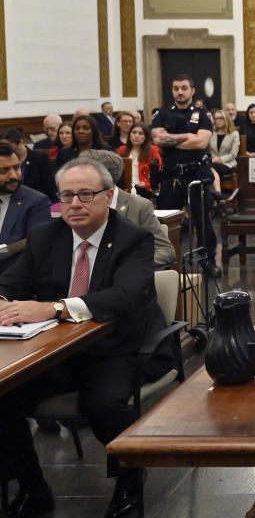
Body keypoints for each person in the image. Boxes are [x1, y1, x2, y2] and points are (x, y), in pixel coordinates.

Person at [0, 158, 173, 518]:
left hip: (115, 346)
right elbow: (11, 284)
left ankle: (129, 484)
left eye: (85, 195)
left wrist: (54, 308)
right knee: (4, 400)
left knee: (104, 406)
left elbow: (125, 296)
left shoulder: (132, 238)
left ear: (109, 196)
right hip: (54, 351)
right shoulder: (47, 235)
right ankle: (33, 489)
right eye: (66, 196)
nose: (74, 204)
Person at [151, 74, 217, 258]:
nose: (180, 92)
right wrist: (188, 136)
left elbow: (201, 143)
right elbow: (157, 138)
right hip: (170, 175)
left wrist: (170, 138)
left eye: (184, 88)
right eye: (176, 88)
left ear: (192, 91)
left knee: (202, 220)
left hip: (196, 173)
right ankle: (169, 260)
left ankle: (208, 261)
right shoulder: (162, 114)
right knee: (167, 221)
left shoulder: (202, 114)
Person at [79, 149, 176, 268]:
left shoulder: (139, 207)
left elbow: (165, 251)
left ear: (106, 178)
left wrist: (129, 266)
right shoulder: (74, 204)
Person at [0, 142, 50, 274]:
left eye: (16, 168)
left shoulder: (36, 202)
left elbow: (33, 246)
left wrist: (3, 251)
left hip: (10, 278)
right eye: (3, 171)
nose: (13, 176)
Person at [1, 128, 57, 200]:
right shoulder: (4, 161)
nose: (5, 149)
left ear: (20, 142)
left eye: (7, 145)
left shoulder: (39, 158)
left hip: (36, 200)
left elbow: (49, 187)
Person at [117, 122, 163, 194]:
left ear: (146, 136)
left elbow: (159, 172)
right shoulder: (122, 150)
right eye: (134, 132)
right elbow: (117, 171)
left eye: (141, 133)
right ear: (129, 135)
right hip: (126, 188)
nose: (136, 136)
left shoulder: (153, 150)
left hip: (143, 189)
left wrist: (147, 184)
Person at [209, 109, 240, 179]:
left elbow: (233, 154)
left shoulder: (234, 134)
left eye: (221, 118)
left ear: (226, 119)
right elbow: (208, 151)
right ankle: (215, 189)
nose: (218, 120)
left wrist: (220, 159)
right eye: (216, 118)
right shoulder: (212, 132)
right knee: (206, 167)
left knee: (210, 168)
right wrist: (212, 159)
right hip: (212, 162)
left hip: (227, 164)